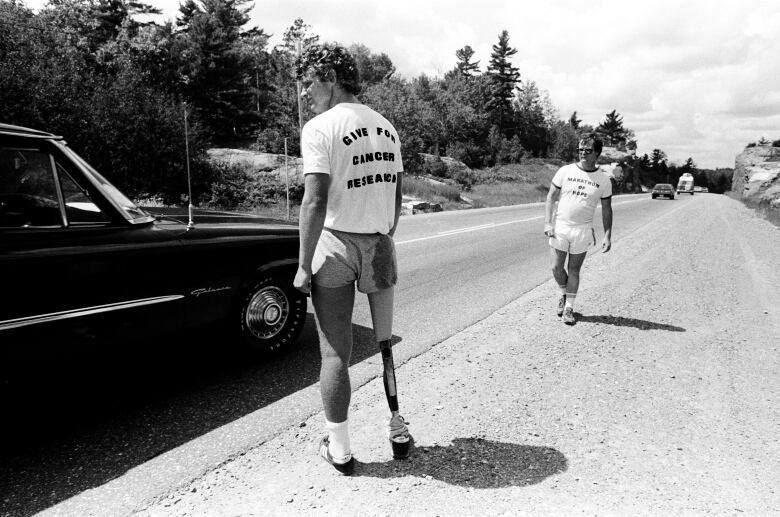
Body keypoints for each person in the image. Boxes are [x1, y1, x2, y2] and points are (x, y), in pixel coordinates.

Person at [292, 43, 410, 476]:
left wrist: (304, 265)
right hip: (379, 243)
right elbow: (396, 196)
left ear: (328, 77)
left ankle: (340, 450)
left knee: (335, 355)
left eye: (308, 82)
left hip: (336, 246)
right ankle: (397, 428)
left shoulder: (320, 127)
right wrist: (382, 236)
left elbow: (314, 201)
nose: (306, 93)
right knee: (383, 346)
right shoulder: (387, 126)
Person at [543, 133, 613, 325]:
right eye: (580, 149)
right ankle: (564, 294)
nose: (583, 153)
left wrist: (607, 234)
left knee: (574, 270)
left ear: (597, 153)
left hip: (582, 230)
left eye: (588, 150)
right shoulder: (565, 171)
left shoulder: (604, 180)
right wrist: (548, 222)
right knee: (556, 268)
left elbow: (607, 208)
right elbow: (551, 197)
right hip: (561, 227)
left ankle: (569, 309)